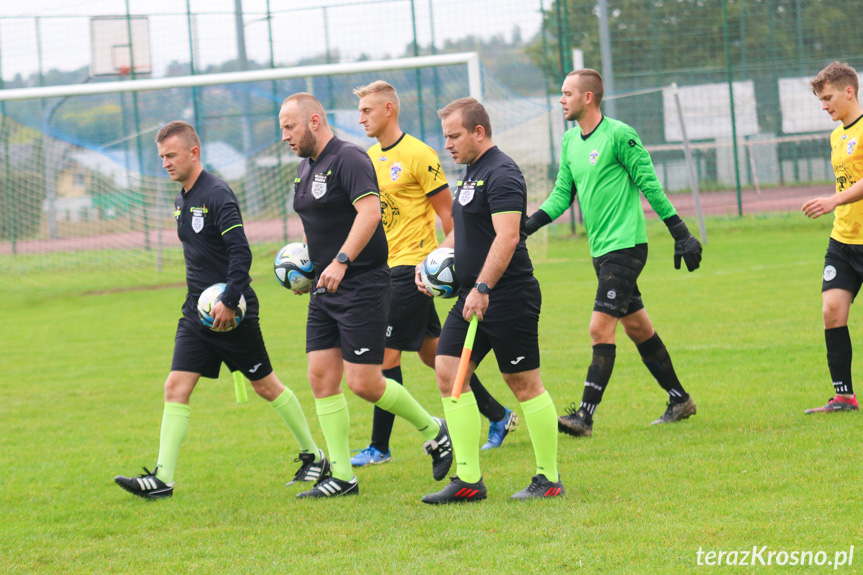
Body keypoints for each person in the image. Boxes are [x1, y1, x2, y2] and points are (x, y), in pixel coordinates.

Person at [114, 121, 326, 499]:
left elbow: (240, 253)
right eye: (161, 156)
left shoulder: (217, 194)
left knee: (266, 385)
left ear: (193, 153)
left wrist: (229, 301)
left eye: (171, 155)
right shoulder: (182, 198)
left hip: (232, 311)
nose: (165, 163)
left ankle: (315, 456)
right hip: (196, 311)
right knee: (175, 386)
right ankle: (162, 479)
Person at [279, 93, 453, 498]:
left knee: (365, 382)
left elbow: (370, 213)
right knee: (320, 377)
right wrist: (309, 270)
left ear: (315, 121)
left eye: (290, 126)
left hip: (362, 284)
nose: (285, 135)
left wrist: (340, 260)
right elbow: (314, 225)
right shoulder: (305, 169)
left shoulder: (350, 159)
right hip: (325, 287)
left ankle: (434, 430)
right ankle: (342, 476)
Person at [349, 81, 518, 467]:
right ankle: (498, 415)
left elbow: (451, 220)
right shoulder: (369, 157)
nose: (360, 118)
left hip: (411, 270)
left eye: (367, 111)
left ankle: (380, 447)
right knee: (434, 355)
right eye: (359, 112)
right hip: (386, 269)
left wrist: (434, 265)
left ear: (389, 109)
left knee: (385, 357)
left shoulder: (419, 155)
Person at [525, 69, 702, 438]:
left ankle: (584, 417)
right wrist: (529, 225)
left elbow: (648, 184)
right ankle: (679, 399)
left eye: (567, 93)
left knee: (599, 327)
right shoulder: (571, 141)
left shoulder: (620, 135)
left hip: (627, 247)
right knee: (638, 327)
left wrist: (681, 233)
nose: (561, 100)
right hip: (600, 251)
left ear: (588, 97)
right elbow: (562, 194)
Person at [419, 98, 563, 504]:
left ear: (478, 132)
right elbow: (465, 235)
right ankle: (468, 480)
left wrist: (482, 288)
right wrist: (429, 263)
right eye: (445, 136)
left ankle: (548, 478)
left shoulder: (502, 172)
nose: (447, 144)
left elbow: (508, 237)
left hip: (507, 295)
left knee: (524, 384)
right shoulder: (470, 173)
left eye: (454, 135)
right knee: (449, 372)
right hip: (471, 297)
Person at [802, 61, 863, 414]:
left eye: (827, 98)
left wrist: (833, 200)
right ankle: (843, 397)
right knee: (832, 311)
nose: (824, 106)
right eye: (821, 100)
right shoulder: (836, 135)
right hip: (843, 241)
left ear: (849, 91)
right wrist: (837, 203)